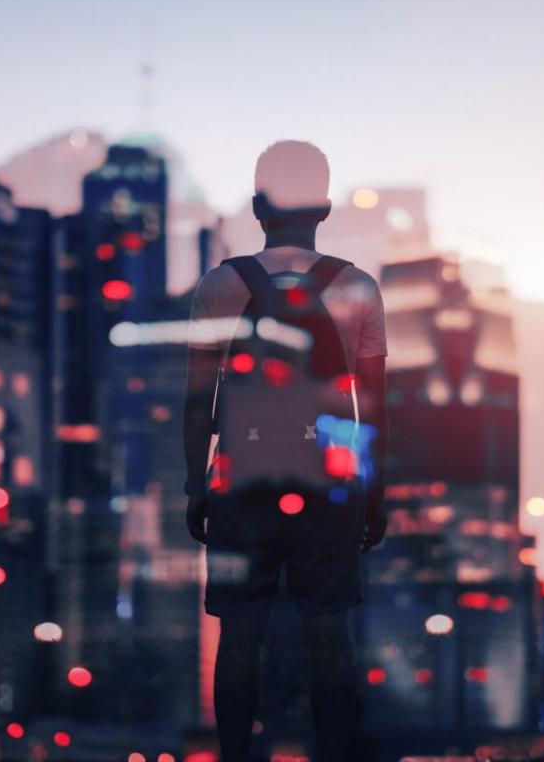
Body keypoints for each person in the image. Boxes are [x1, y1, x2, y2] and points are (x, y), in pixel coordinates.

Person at [182, 140, 389, 762]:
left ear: (256, 206)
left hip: (241, 487)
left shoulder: (220, 286)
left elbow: (198, 398)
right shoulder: (356, 288)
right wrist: (371, 493)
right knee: (330, 636)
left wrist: (197, 485)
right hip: (328, 490)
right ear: (324, 208)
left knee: (239, 638)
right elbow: (373, 407)